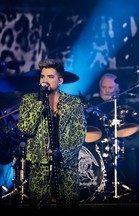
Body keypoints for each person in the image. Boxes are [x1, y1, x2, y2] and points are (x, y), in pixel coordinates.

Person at [17, 58, 87, 211]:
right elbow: (25, 128)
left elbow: (79, 135)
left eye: (50, 77)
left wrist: (63, 154)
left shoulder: (73, 103)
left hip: (66, 166)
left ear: (60, 80)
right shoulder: (29, 100)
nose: (45, 80)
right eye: (42, 77)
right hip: (39, 166)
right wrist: (40, 103)